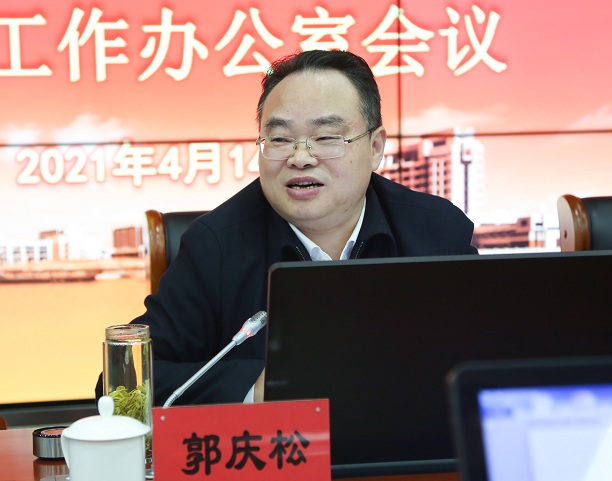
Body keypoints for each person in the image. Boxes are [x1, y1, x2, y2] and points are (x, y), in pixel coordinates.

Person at [97, 49, 477, 406]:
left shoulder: (436, 231)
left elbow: (491, 359)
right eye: (280, 139)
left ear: (375, 147)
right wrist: (256, 390)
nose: (300, 158)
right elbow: (123, 384)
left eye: (326, 137)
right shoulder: (215, 246)